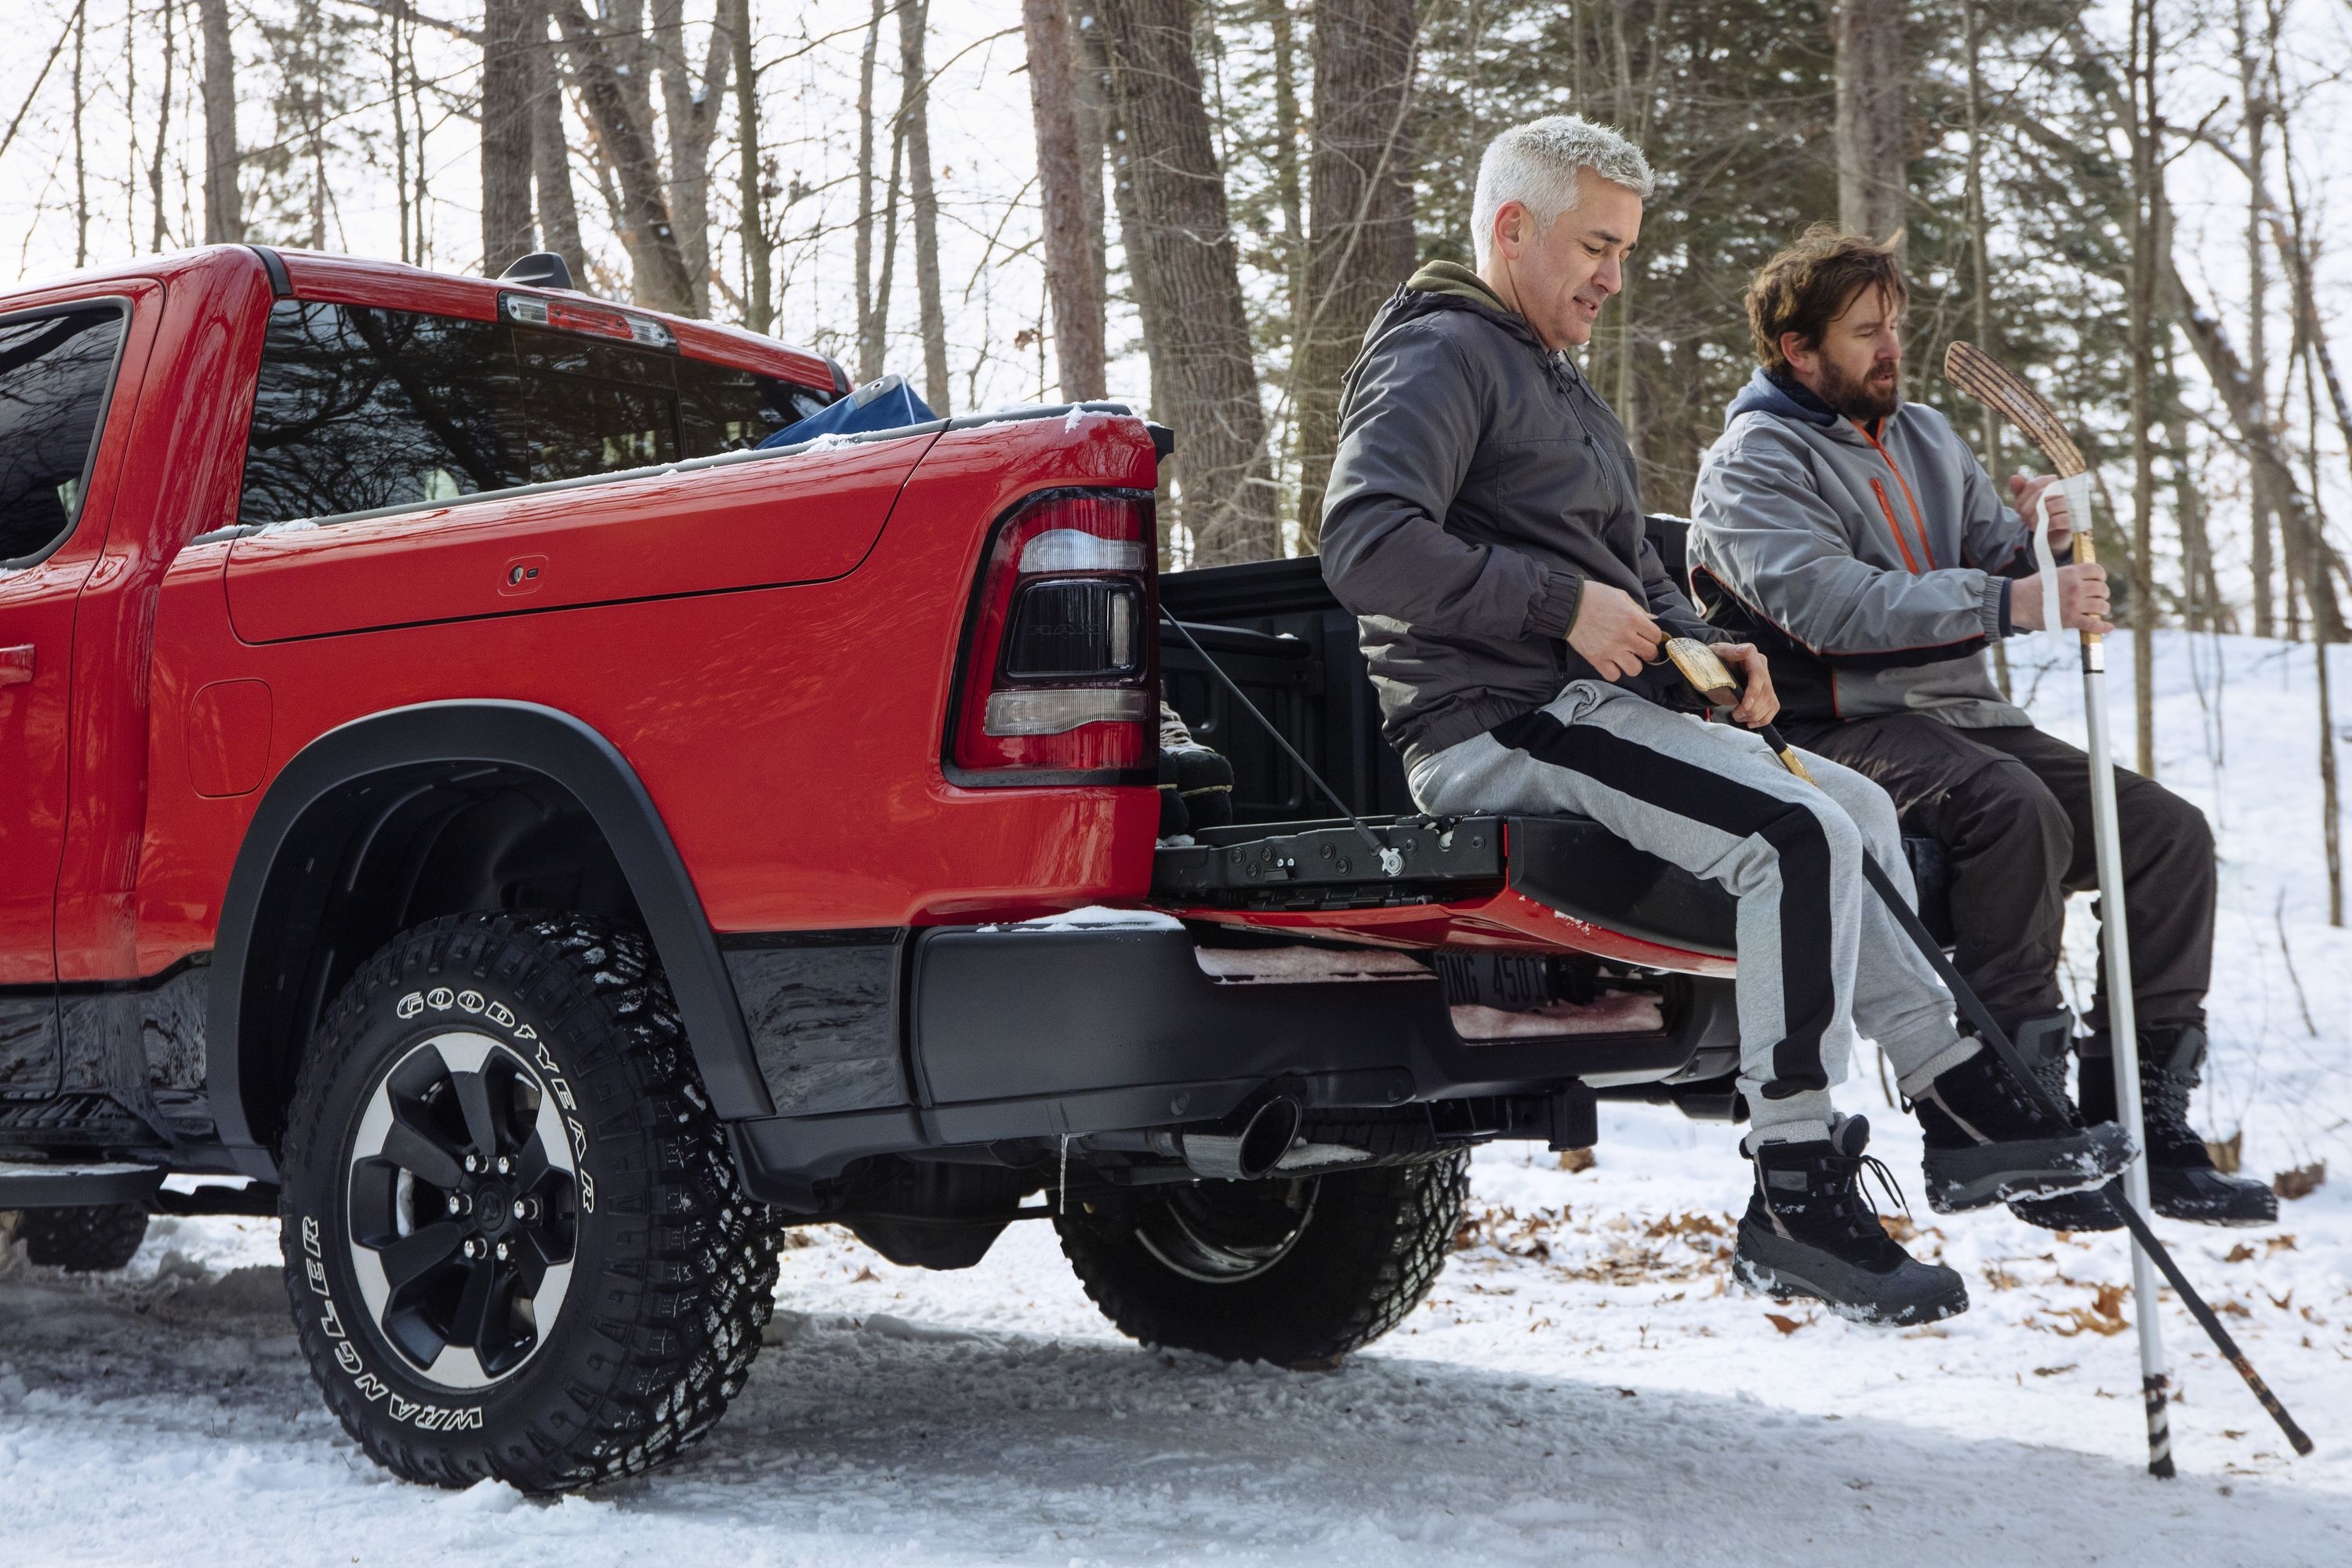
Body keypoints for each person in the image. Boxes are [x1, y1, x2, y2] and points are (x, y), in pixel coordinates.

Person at [1318, 116, 2132, 1327]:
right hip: (1497, 720)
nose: (1612, 274)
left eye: (1626, 250)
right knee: (1793, 836)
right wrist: (1564, 606)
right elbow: (1364, 543)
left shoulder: (1549, 376)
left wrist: (1705, 650)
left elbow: (1618, 568)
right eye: (1596, 244)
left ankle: (1959, 1096)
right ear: (1511, 228)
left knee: (1848, 806)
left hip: (1582, 703)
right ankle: (1795, 1187)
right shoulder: (1443, 353)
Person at [1686, 225, 2274, 1229]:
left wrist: (2040, 544)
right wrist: (2012, 603)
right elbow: (1831, 606)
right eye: (1866, 330)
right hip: (1831, 728)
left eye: (1895, 326)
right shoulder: (1752, 465)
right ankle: (2012, 1119)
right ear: (1797, 347)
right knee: (2011, 811)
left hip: (1966, 717)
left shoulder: (1924, 437)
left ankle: (2147, 1116)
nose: (1890, 347)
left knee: (2167, 834)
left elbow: (1998, 565)